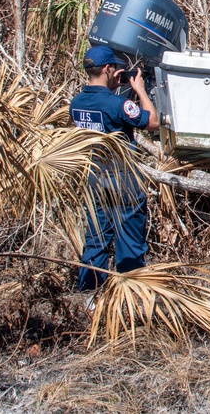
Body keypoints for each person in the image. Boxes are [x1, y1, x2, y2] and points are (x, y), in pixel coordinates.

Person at [69, 45, 160, 291]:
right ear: (108, 69)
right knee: (129, 245)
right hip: (124, 182)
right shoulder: (117, 104)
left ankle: (88, 299)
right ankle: (129, 297)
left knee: (95, 242)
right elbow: (151, 121)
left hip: (95, 181)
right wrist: (139, 89)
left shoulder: (76, 104)